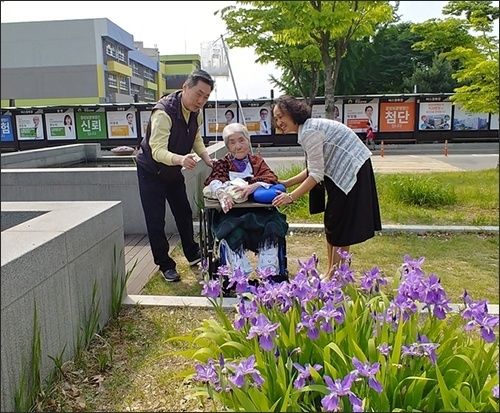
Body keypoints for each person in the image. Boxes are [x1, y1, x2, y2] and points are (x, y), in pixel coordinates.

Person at [272, 95, 381, 277]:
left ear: (293, 113)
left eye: (281, 116)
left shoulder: (309, 131)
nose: (279, 122)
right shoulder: (308, 129)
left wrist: (290, 197)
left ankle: (336, 277)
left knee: (339, 224)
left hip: (352, 169)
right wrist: (287, 183)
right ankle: (332, 272)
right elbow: (313, 168)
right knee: (333, 221)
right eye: (275, 119)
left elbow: (316, 174)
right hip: (345, 170)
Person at [136, 69, 215, 283]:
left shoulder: (195, 112)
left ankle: (192, 253)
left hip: (172, 171)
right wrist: (181, 160)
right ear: (185, 88)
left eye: (206, 97)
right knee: (155, 220)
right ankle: (165, 264)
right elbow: (157, 151)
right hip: (151, 172)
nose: (201, 100)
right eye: (198, 94)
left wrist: (207, 158)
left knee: (184, 211)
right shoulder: (163, 113)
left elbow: (195, 137)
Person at [203, 123, 288, 279]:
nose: (238, 146)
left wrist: (254, 186)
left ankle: (269, 273)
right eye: (232, 142)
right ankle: (240, 276)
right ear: (227, 146)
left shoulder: (257, 161)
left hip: (260, 213)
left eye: (241, 140)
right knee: (232, 231)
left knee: (273, 226)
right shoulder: (222, 164)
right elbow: (214, 181)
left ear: (248, 141)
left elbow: (271, 178)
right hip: (232, 215)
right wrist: (223, 194)